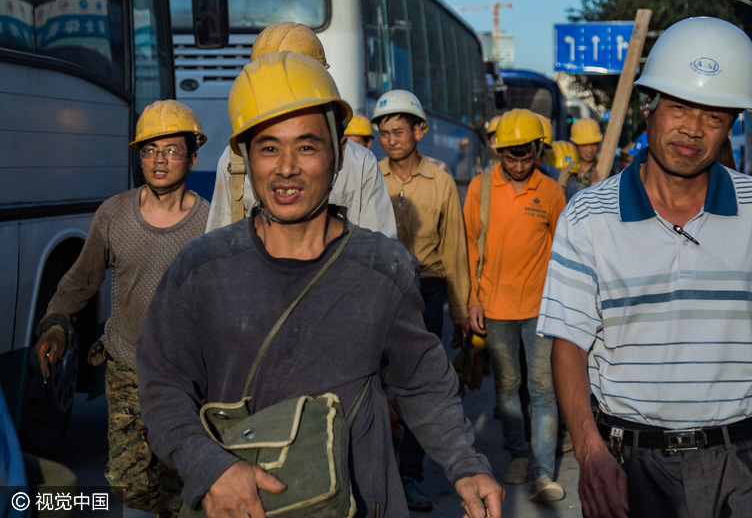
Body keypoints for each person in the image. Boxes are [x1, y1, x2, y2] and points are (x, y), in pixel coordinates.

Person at [136, 52, 504, 518]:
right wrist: (209, 468)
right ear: (246, 157)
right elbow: (163, 385)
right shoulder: (202, 268)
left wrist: (465, 464)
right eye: (269, 148)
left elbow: (421, 381)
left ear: (338, 154)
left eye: (307, 147)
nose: (286, 167)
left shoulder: (383, 267)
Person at [538, 17, 752, 518]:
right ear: (649, 107)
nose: (692, 129)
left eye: (714, 115)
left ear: (732, 125)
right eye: (679, 107)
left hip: (751, 466)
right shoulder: (588, 216)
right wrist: (589, 451)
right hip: (635, 468)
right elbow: (569, 345)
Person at [35, 100, 210, 518]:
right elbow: (82, 279)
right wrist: (57, 323)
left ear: (192, 159)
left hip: (187, 375)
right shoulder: (113, 214)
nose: (159, 160)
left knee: (181, 481)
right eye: (150, 150)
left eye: (172, 150)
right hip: (127, 366)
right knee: (129, 482)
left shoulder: (210, 223)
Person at [370, 89, 471, 512]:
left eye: (399, 131)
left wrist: (461, 311)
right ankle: (377, 474)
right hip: (378, 291)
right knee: (373, 386)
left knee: (418, 385)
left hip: (426, 293)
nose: (391, 140)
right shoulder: (370, 177)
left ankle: (410, 476)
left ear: (419, 131)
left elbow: (454, 251)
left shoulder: (441, 182)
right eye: (384, 133)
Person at [205, 21, 396, 238]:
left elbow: (378, 249)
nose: (287, 169)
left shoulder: (360, 162)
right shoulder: (234, 160)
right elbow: (220, 242)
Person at [463, 109, 567, 503]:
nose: (520, 166)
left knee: (543, 389)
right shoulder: (481, 188)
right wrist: (472, 300)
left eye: (527, 157)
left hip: (540, 309)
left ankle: (542, 473)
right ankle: (519, 454)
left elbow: (563, 253)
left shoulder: (551, 193)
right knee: (507, 387)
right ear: (499, 153)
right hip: (495, 308)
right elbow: (469, 247)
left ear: (538, 151)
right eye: (512, 158)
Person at [558, 118, 602, 200]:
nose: (590, 149)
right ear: (575, 145)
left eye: (594, 144)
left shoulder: (604, 170)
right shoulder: (567, 168)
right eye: (584, 145)